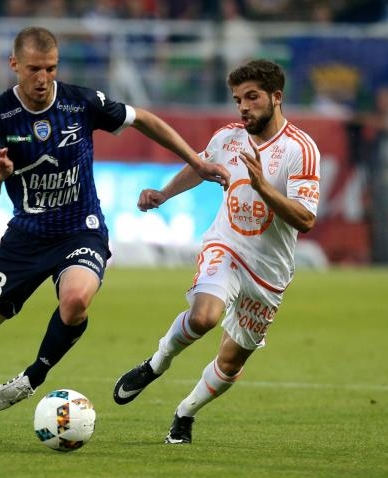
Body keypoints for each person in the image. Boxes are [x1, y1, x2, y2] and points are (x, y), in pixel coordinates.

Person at [0, 26, 230, 445]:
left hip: (81, 229)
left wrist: (196, 162)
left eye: (51, 68)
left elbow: (143, 119)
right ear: (14, 64)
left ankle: (32, 377)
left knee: (75, 301)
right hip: (25, 237)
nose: (43, 78)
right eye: (35, 69)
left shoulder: (80, 101)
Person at [113, 59, 320, 444]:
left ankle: (185, 412)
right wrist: (163, 193)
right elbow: (202, 166)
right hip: (226, 245)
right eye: (238, 99)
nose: (243, 107)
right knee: (205, 316)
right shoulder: (229, 137)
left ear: (277, 97)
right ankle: (156, 363)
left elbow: (305, 220)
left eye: (252, 97)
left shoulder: (301, 150)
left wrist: (263, 188)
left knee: (231, 361)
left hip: (269, 272)